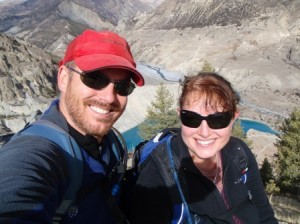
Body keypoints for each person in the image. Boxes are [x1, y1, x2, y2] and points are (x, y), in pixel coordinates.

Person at [0, 29, 144, 223]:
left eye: (123, 87)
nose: (109, 97)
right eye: (95, 79)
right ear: (64, 78)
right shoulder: (36, 152)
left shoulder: (111, 143)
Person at [127, 72, 278, 223]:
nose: (204, 133)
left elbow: (265, 215)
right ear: (180, 115)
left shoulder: (239, 152)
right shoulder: (158, 174)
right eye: (191, 118)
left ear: (233, 119)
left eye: (218, 119)